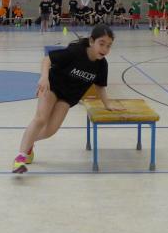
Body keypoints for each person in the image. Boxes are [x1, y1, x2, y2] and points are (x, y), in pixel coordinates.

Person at [12, 24, 124, 174]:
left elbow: (100, 86)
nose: (105, 49)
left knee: (51, 130)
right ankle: (20, 158)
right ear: (92, 41)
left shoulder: (102, 65)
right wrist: (44, 77)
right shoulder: (76, 52)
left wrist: (108, 104)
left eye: (109, 46)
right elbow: (47, 60)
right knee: (41, 119)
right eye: (101, 43)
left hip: (68, 97)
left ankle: (29, 143)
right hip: (52, 87)